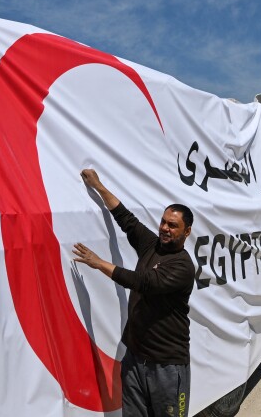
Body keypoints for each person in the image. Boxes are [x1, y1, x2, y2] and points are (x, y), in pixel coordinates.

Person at [73, 168, 195, 417]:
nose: (164, 228)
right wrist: (99, 186)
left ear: (186, 232)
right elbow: (126, 219)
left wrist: (99, 263)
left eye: (173, 225)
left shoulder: (183, 266)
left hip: (167, 366)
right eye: (163, 222)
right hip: (136, 359)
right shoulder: (152, 245)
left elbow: (143, 281)